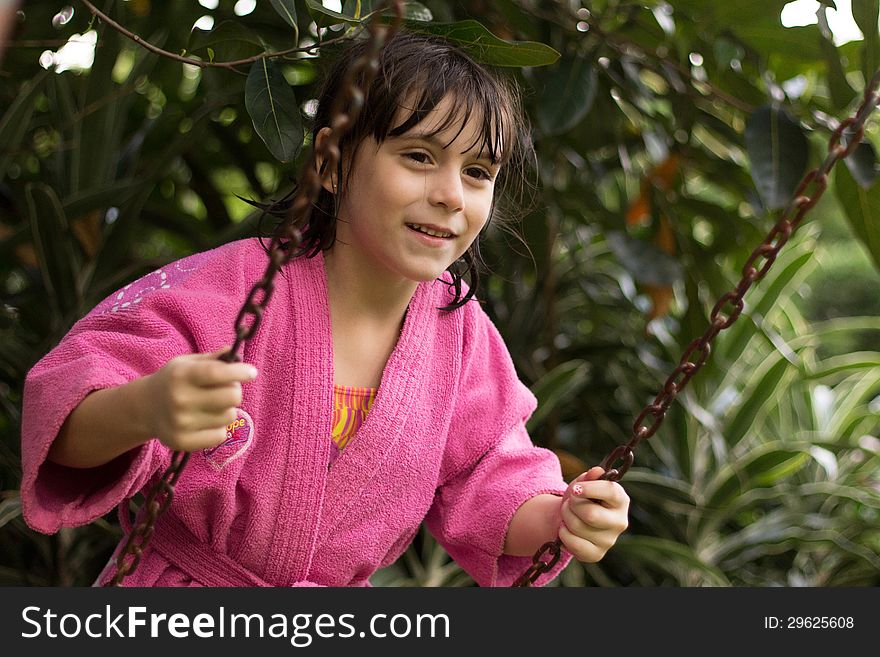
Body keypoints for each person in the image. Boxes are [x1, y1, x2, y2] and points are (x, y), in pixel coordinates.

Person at [20, 30, 629, 587]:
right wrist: (144, 407)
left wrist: (560, 517)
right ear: (332, 163)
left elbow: (491, 479)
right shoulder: (235, 288)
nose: (449, 195)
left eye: (476, 171)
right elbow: (65, 415)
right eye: (419, 156)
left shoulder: (460, 336)